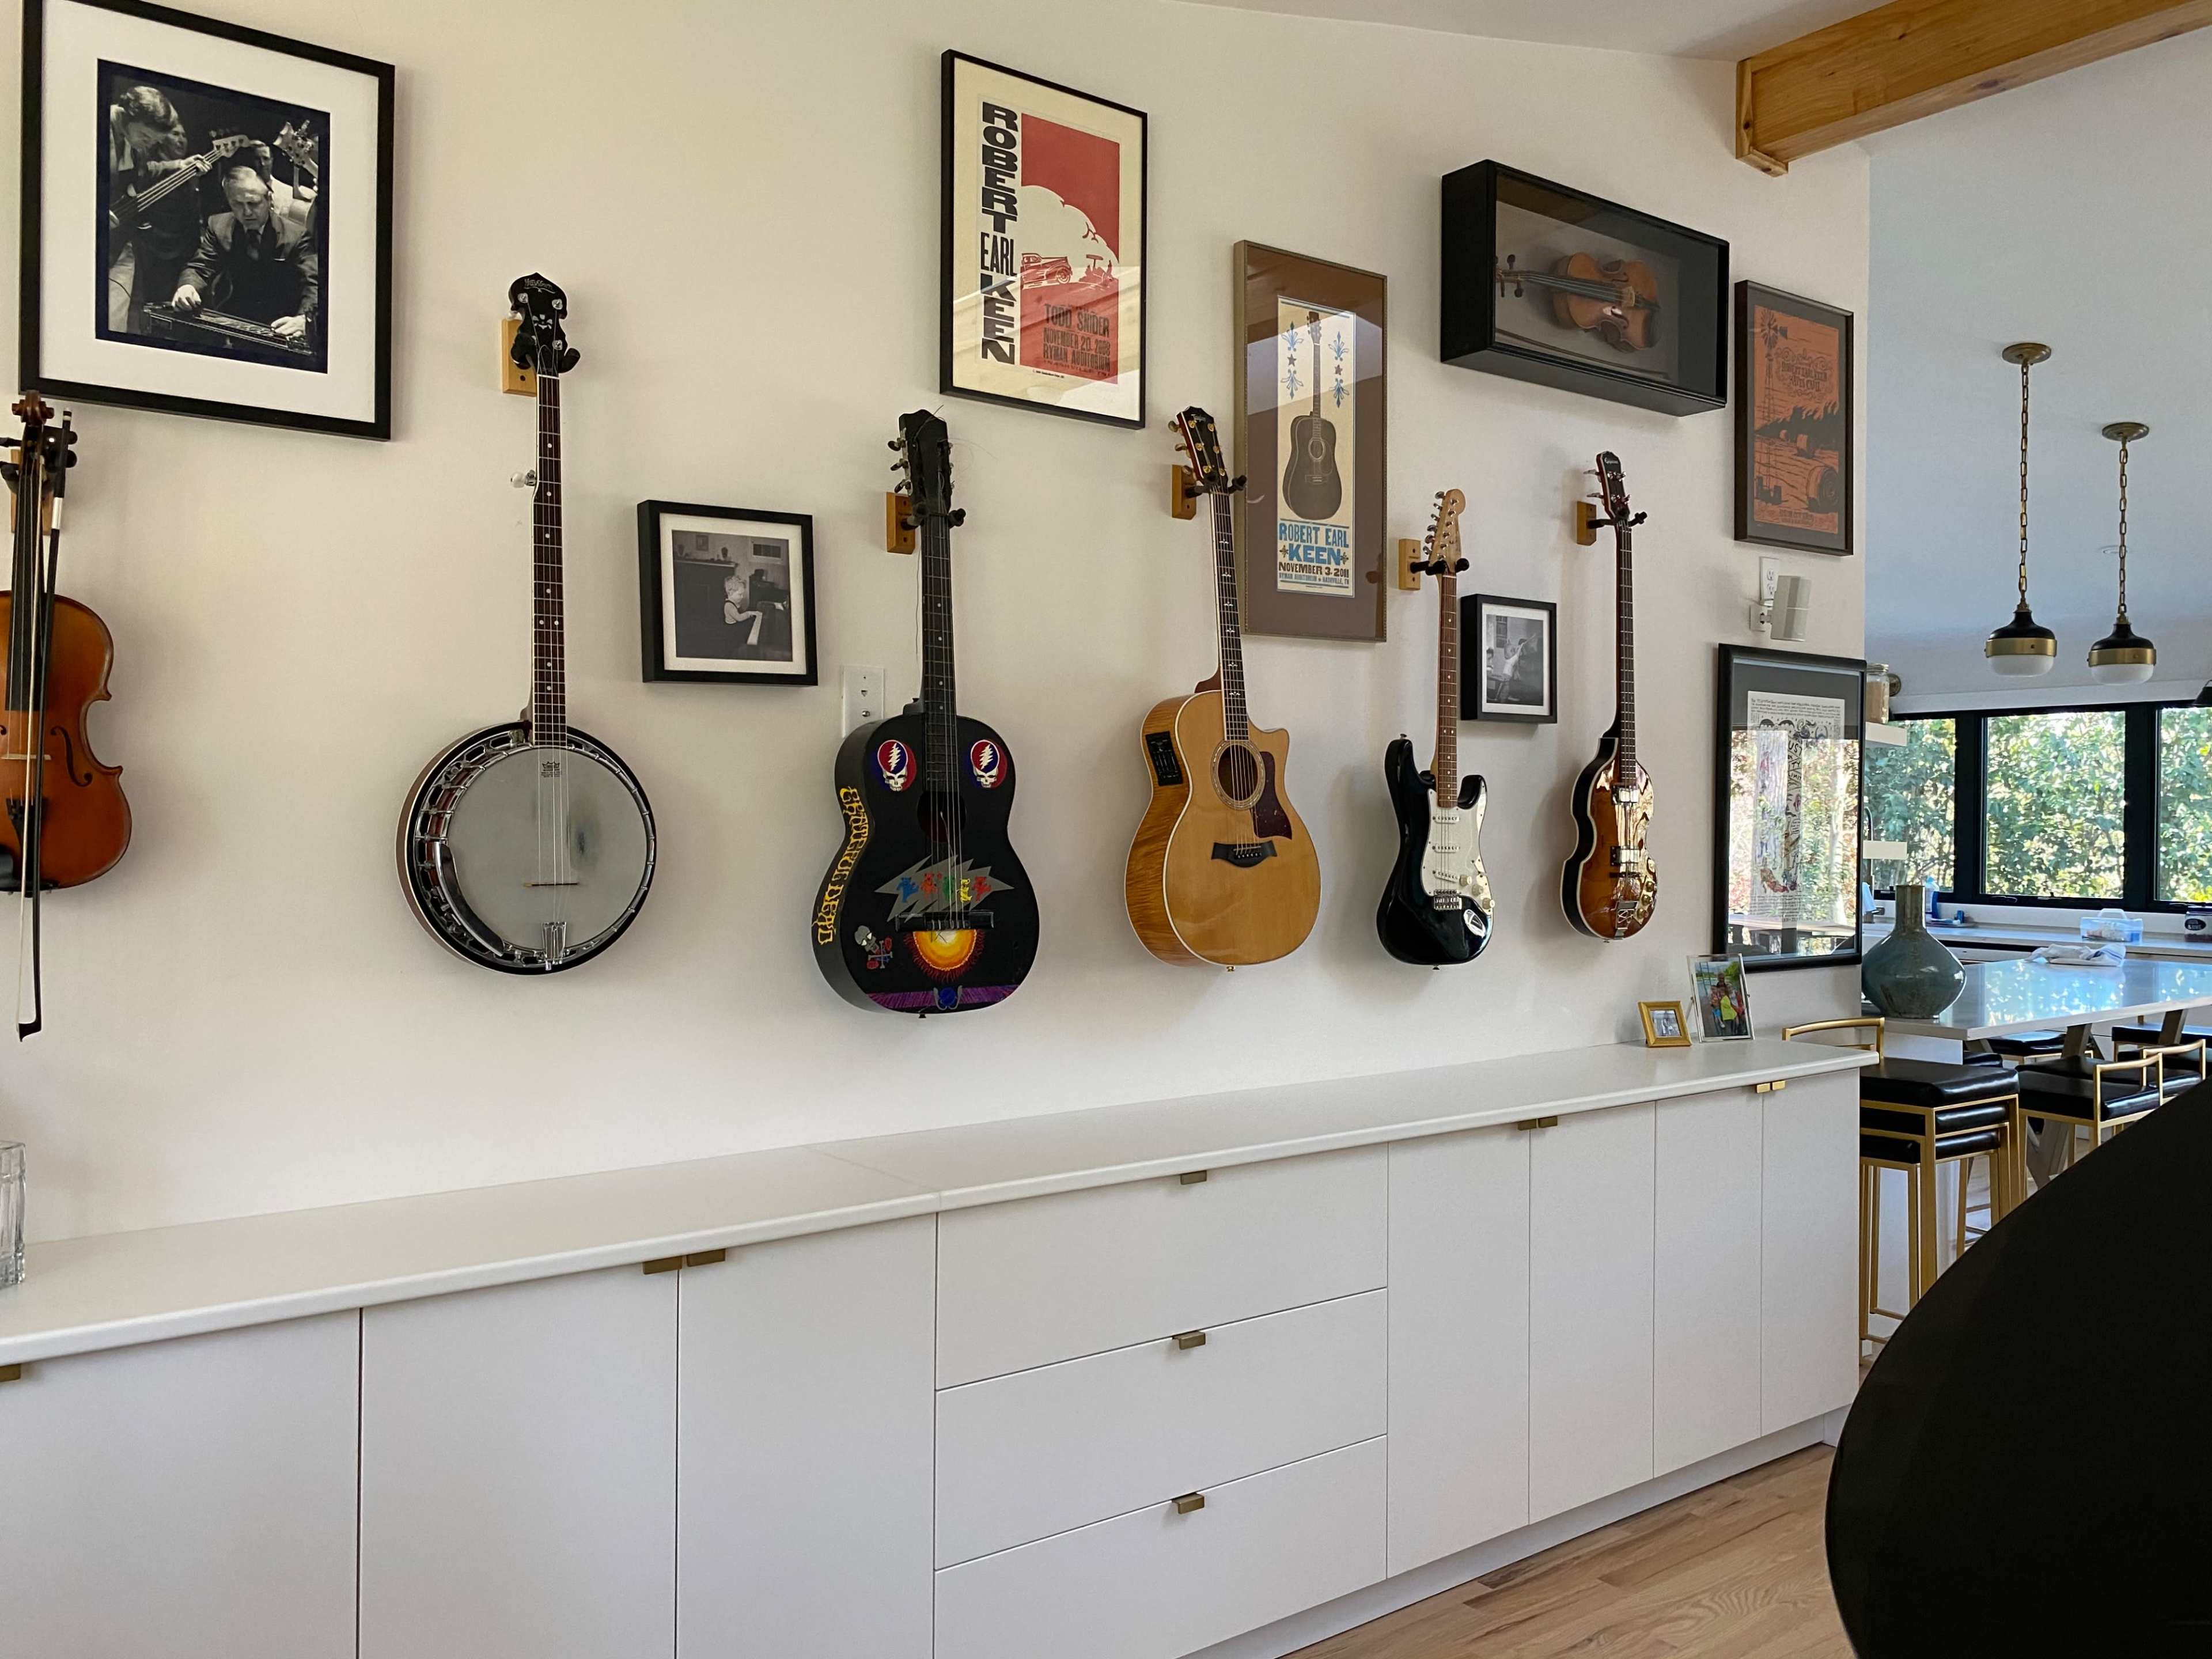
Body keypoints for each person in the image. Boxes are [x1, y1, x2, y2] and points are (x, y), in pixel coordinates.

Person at [172, 153, 317, 341]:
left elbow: (313, 283)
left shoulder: (297, 236)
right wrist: (187, 287)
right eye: (237, 204)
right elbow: (200, 267)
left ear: (269, 200)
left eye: (254, 203)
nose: (247, 212)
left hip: (281, 324)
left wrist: (305, 319)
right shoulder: (218, 226)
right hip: (233, 320)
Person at [105, 85, 203, 333]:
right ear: (129, 115)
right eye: (146, 137)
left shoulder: (131, 139)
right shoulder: (92, 126)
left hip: (118, 244)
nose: (145, 145)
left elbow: (144, 170)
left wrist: (179, 164)